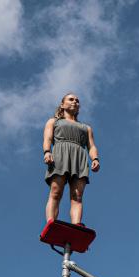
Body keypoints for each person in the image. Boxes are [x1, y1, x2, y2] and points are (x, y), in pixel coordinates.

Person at [43, 93, 99, 224]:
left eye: (77, 100)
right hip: (59, 156)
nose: (75, 102)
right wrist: (47, 152)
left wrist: (95, 159)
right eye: (71, 99)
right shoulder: (53, 121)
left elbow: (91, 146)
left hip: (79, 158)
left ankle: (76, 224)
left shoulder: (86, 128)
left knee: (77, 196)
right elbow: (47, 138)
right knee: (56, 192)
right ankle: (51, 222)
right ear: (62, 105)